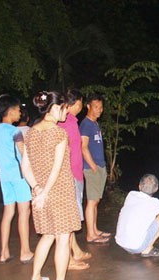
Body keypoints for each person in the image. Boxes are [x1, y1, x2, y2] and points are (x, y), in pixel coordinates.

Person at [22, 91, 81, 280]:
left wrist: (36, 189)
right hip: (59, 193)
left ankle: (35, 279)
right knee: (63, 239)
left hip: (40, 194)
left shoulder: (30, 133)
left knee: (47, 236)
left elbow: (25, 167)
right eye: (64, 107)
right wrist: (45, 192)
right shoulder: (58, 133)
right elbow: (57, 169)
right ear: (55, 108)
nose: (66, 111)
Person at [0, 95, 34, 264]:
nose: (20, 113)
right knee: (24, 212)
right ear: (10, 111)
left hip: (5, 178)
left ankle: (4, 252)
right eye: (17, 109)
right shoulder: (14, 131)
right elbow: (24, 155)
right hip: (18, 176)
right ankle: (25, 251)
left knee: (8, 213)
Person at [58, 89, 92, 270]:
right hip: (70, 175)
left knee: (72, 218)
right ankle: (69, 260)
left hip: (76, 173)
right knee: (70, 218)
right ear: (75, 103)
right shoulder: (65, 123)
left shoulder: (71, 121)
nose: (80, 106)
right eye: (80, 103)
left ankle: (75, 251)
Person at [80, 93, 110, 244]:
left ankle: (95, 229)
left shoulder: (95, 124)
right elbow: (83, 146)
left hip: (99, 166)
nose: (99, 110)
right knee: (91, 201)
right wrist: (93, 166)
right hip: (93, 167)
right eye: (96, 107)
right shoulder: (86, 124)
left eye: (101, 107)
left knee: (96, 200)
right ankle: (90, 235)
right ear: (88, 106)